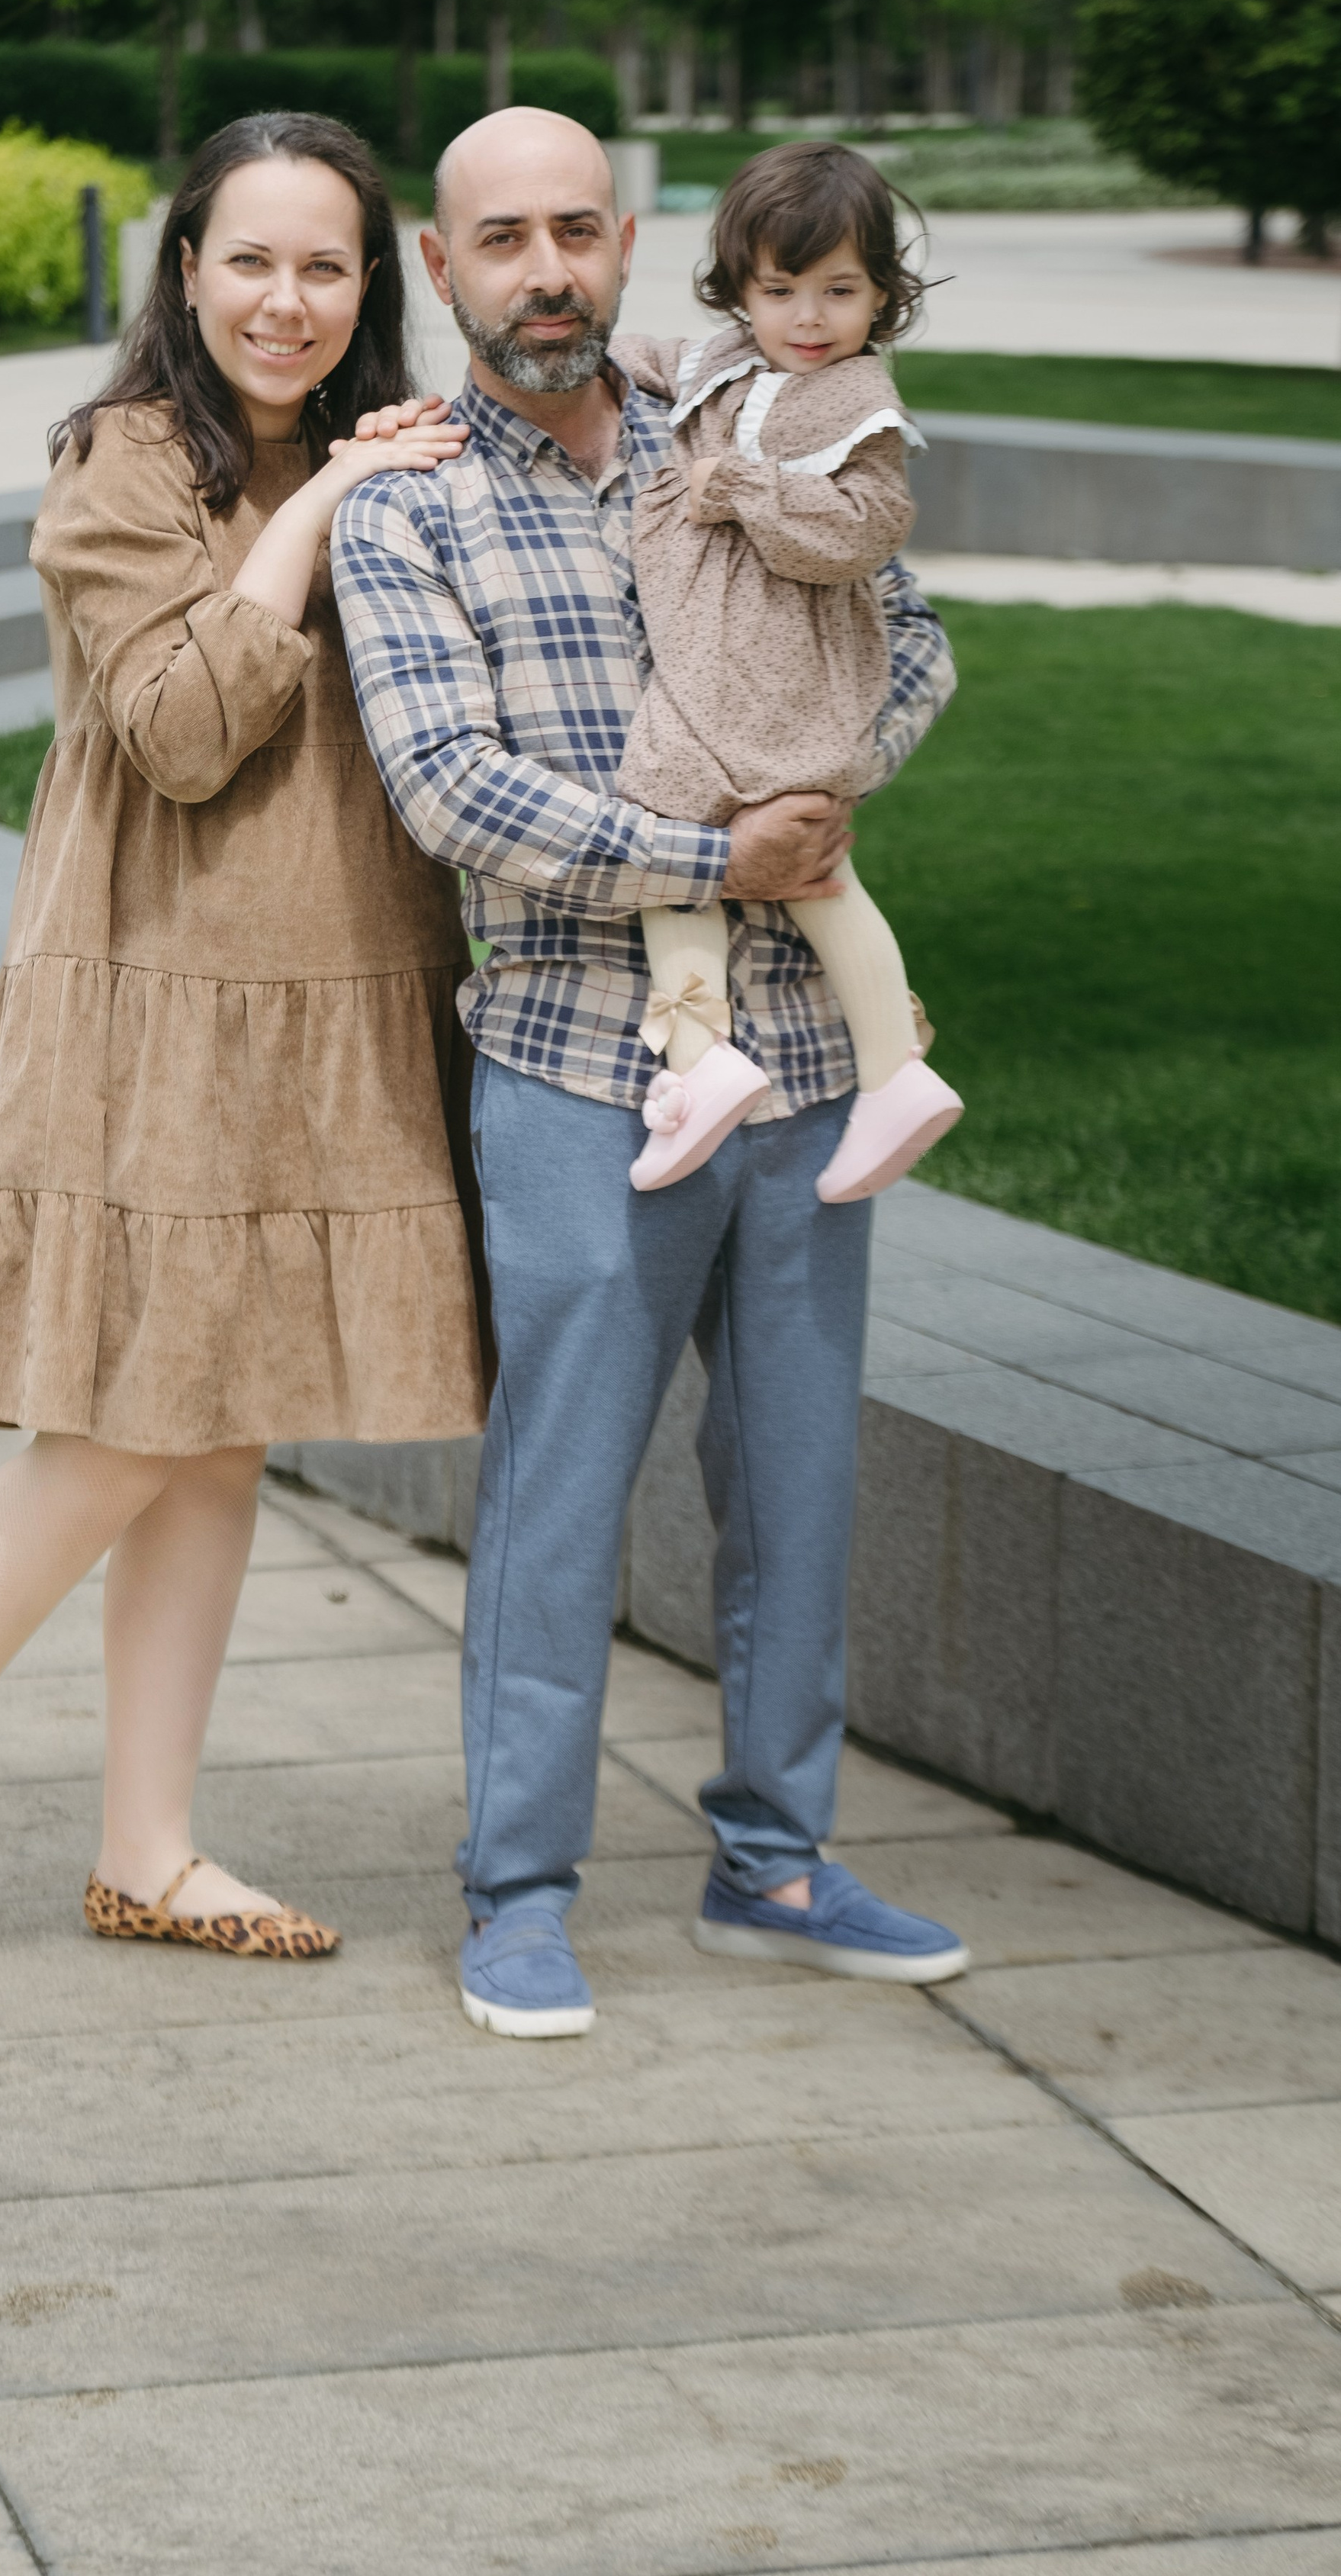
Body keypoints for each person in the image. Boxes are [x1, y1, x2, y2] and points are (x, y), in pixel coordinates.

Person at [0, 111, 486, 1979]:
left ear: (372, 286)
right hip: (153, 996)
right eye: (248, 259)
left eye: (324, 265)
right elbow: (185, 728)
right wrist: (331, 509)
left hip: (335, 1001)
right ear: (184, 269)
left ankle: (149, 1850)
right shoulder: (123, 468)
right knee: (109, 1435)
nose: (284, 299)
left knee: (217, 1439)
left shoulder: (418, 462)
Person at [331, 107, 970, 2042]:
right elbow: (452, 791)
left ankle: (771, 1861)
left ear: (631, 246)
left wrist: (815, 779)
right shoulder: (408, 502)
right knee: (559, 1490)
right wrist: (714, 855)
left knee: (795, 1481)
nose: (545, 269)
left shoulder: (741, 414)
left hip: (797, 1066)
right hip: (573, 1069)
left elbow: (915, 641)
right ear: (436, 273)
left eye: (578, 230)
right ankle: (515, 1892)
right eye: (498, 238)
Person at [618, 140, 963, 1204]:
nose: (808, 318)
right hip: (723, 661)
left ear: (882, 297)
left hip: (780, 669)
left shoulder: (854, 404)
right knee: (776, 863)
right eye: (781, 290)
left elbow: (867, 529)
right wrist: (606, 352)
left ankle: (709, 1065)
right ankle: (872, 1072)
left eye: (839, 291)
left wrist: (746, 490)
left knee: (697, 837)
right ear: (743, 290)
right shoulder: (733, 359)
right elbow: (665, 358)